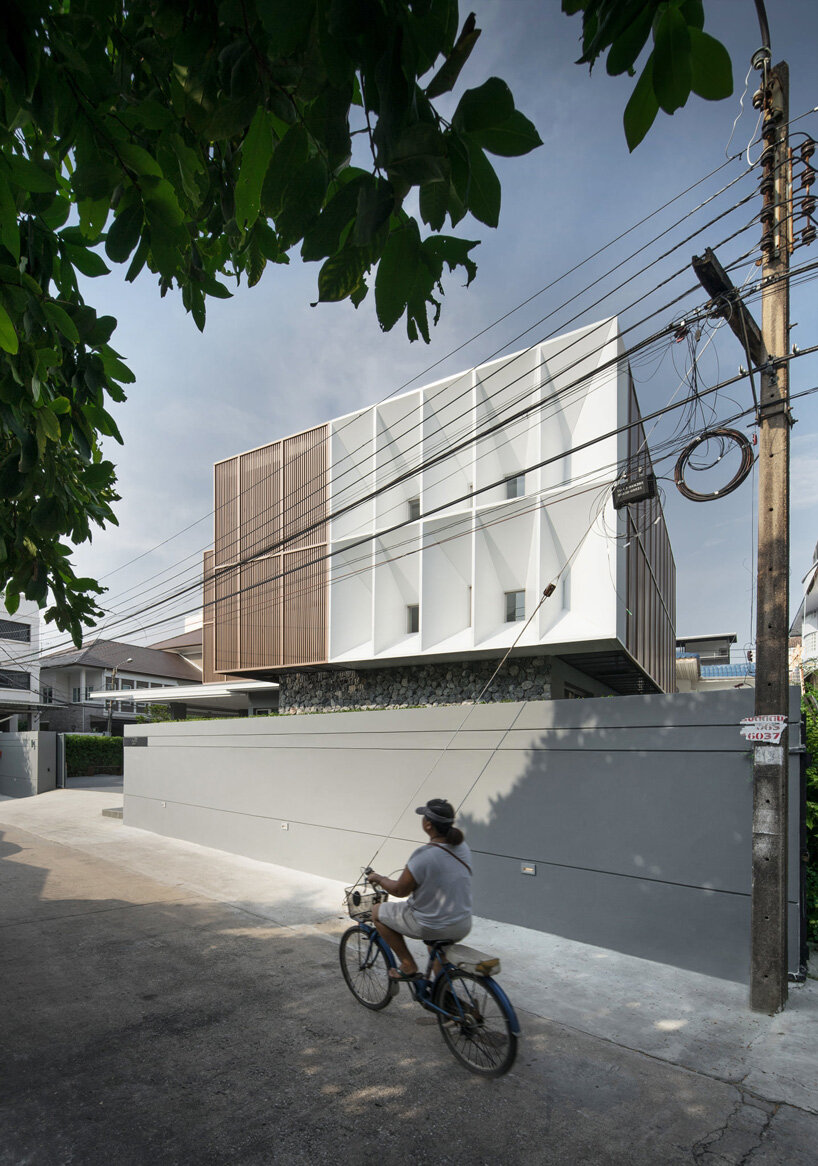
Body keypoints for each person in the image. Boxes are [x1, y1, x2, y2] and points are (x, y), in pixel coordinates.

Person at [368, 798, 472, 981]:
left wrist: (379, 878)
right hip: (461, 923)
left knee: (377, 912)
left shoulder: (423, 856)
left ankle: (407, 964)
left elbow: (400, 890)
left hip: (431, 924)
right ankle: (444, 998)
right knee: (436, 949)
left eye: (424, 817)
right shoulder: (462, 847)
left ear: (428, 825)